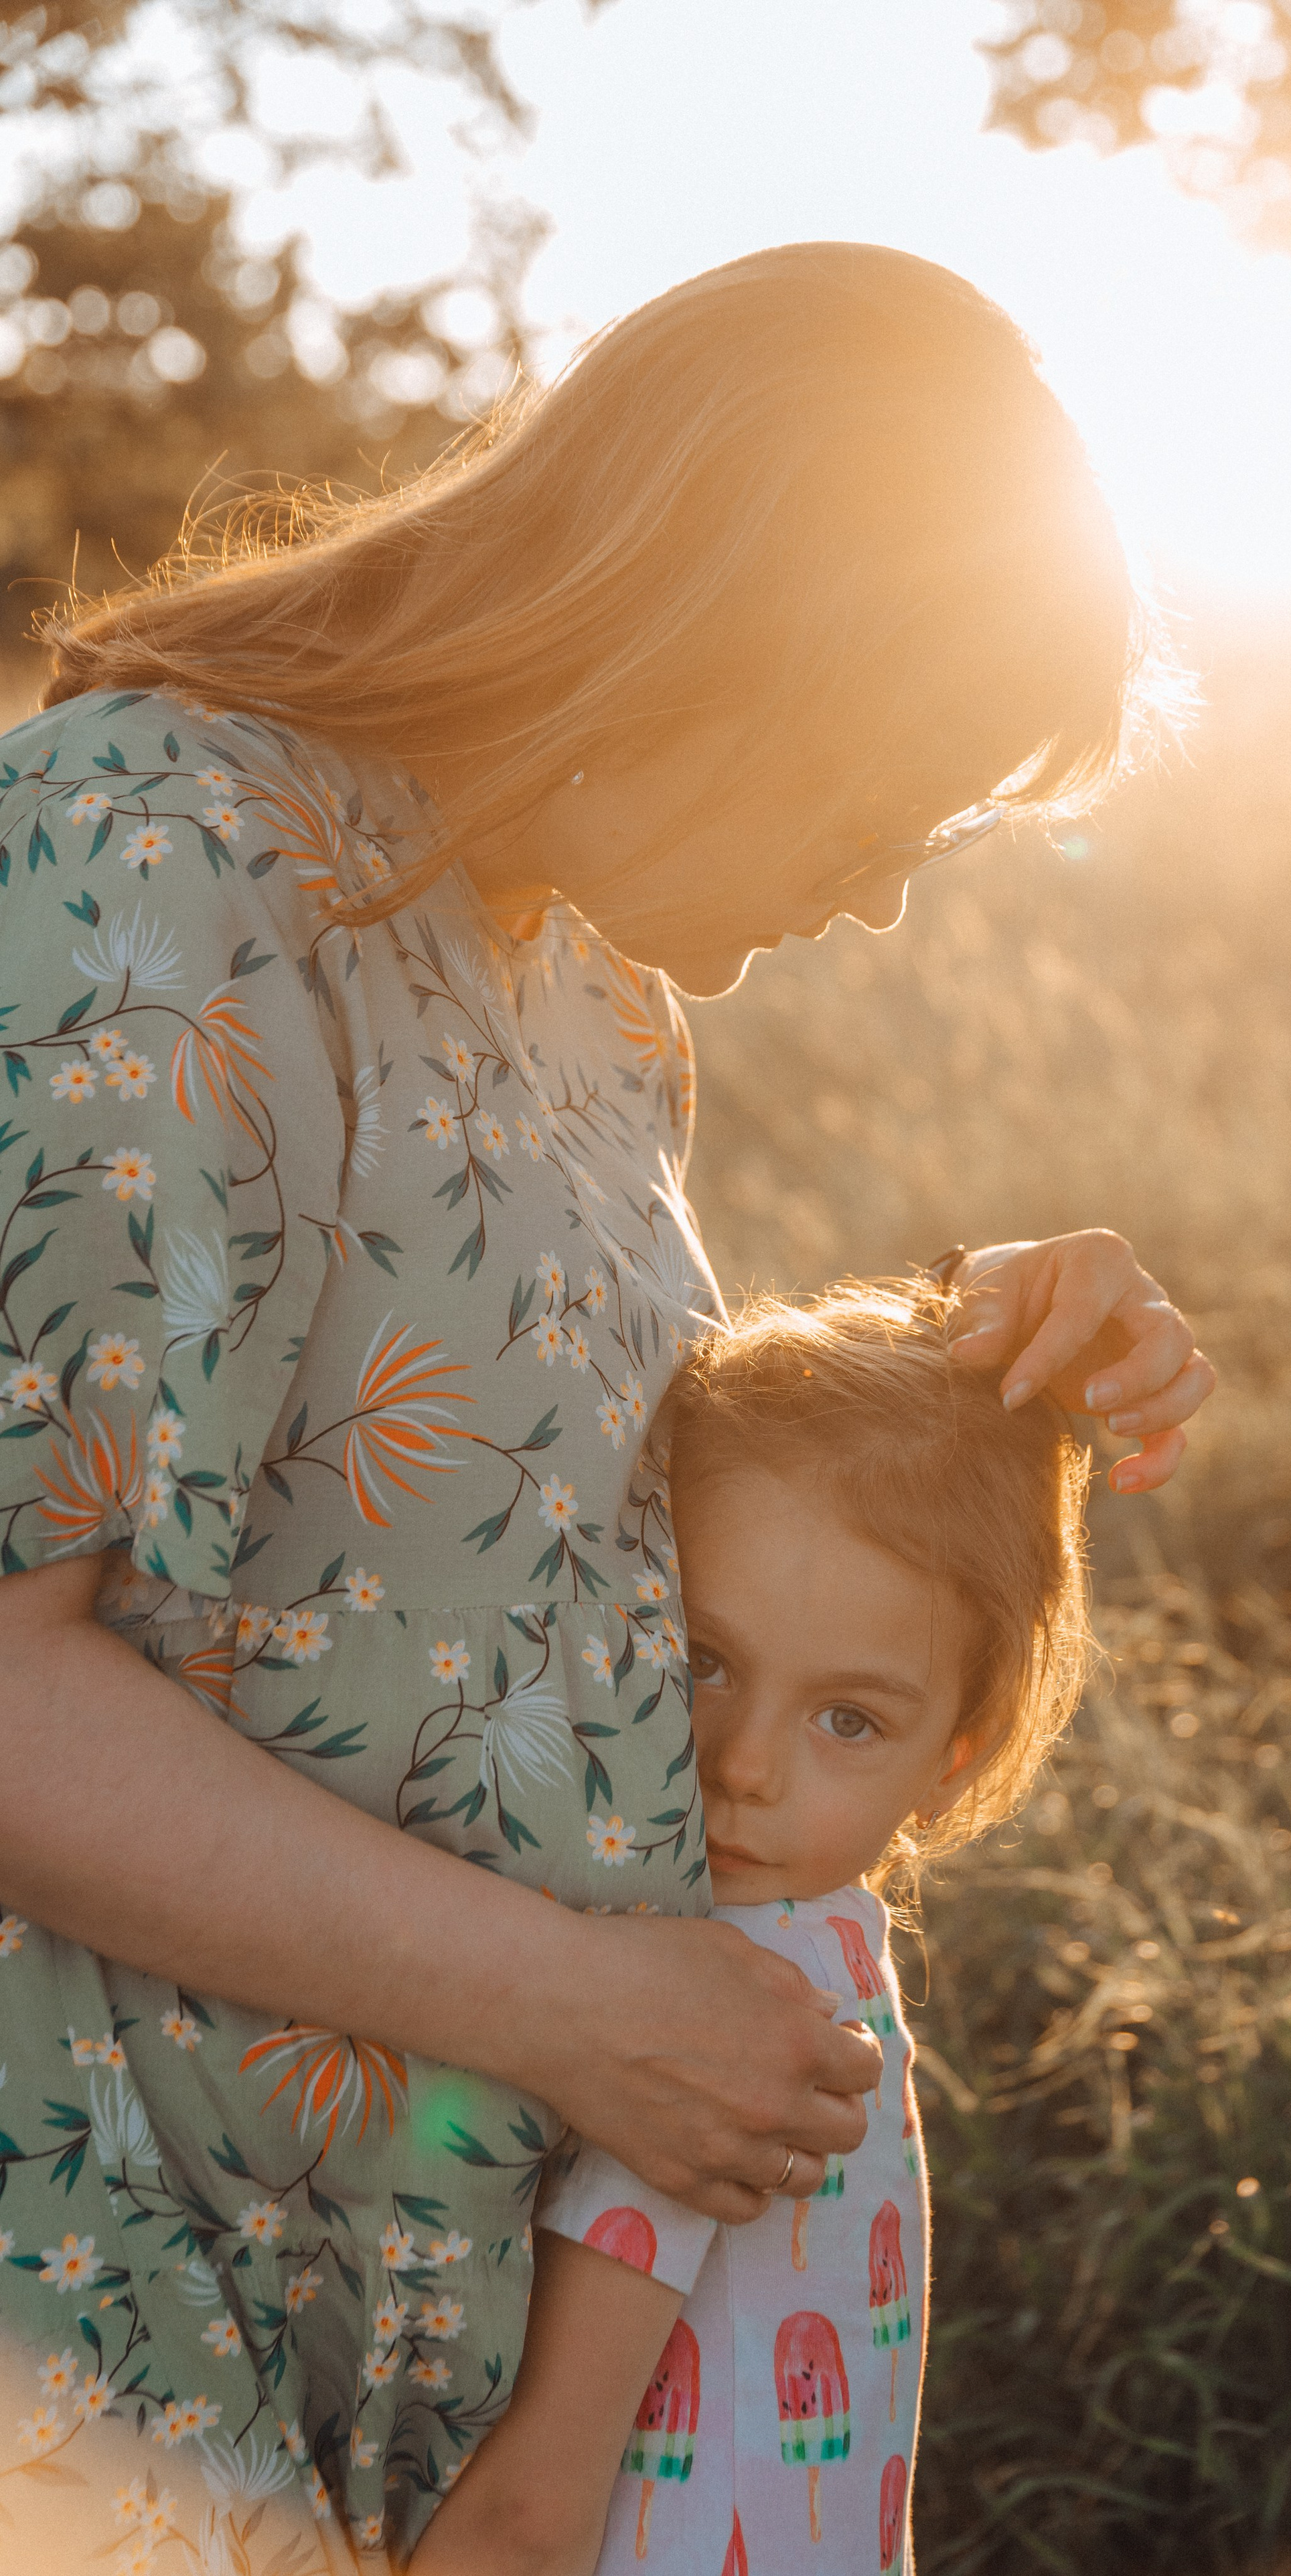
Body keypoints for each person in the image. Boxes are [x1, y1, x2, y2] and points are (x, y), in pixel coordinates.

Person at [0, 242, 1213, 2571]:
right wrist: (573, 2004)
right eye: (888, 793)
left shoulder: (596, 991)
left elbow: (549, 1532)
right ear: (725, 634)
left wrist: (985, 1353)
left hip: (448, 2354)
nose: (875, 893)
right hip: (126, 2341)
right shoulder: (146, 858)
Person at [412, 1281, 1091, 2576]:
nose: (743, 1766)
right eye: (700, 1660)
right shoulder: (833, 1948)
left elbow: (527, 2515)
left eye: (848, 1720)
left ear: (955, 1759)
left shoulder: (714, 2010)